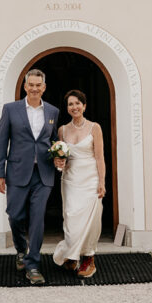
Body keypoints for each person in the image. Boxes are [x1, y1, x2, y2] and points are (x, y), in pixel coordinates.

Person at [0, 69, 60, 285]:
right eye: (30, 85)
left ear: (44, 87)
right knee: (15, 215)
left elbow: (53, 141)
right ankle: (21, 249)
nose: (34, 88)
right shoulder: (11, 110)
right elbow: (2, 142)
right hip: (16, 173)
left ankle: (33, 265)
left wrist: (60, 156)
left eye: (38, 85)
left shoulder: (52, 111)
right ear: (25, 86)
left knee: (38, 219)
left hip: (43, 174)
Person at [52, 88, 105, 278]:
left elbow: (99, 158)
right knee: (72, 218)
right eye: (70, 104)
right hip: (70, 179)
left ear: (84, 105)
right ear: (67, 108)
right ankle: (72, 256)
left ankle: (88, 259)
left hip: (91, 179)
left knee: (91, 220)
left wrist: (102, 182)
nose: (74, 107)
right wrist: (58, 161)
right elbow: (61, 157)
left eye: (77, 103)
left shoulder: (94, 128)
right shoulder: (62, 130)